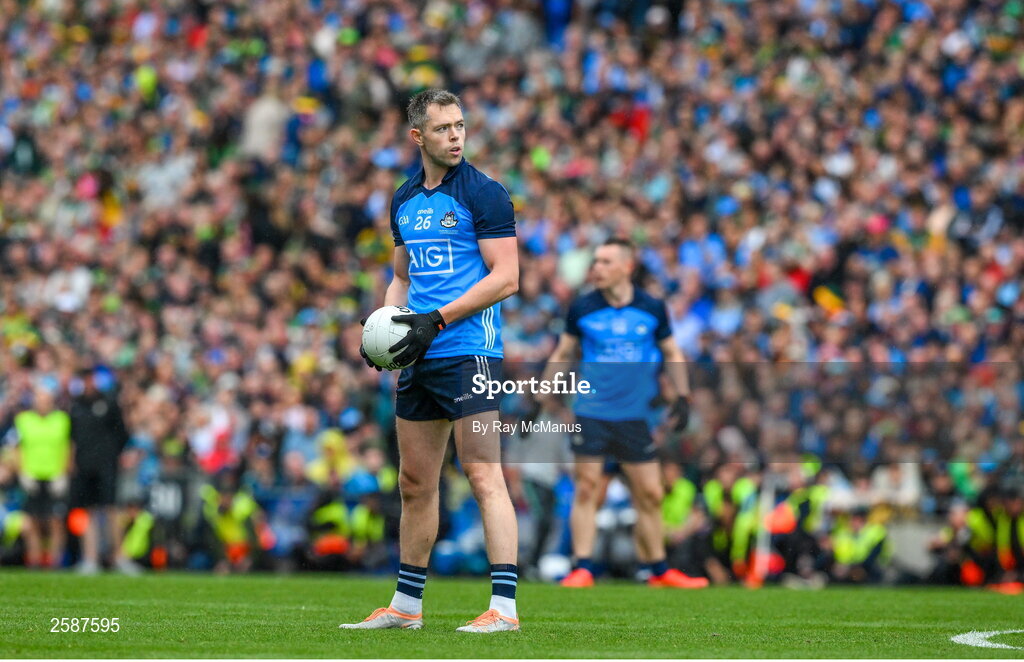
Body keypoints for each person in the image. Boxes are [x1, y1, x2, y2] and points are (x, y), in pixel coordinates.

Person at [342, 89, 521, 633]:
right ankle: (406, 608)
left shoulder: (486, 193)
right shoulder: (402, 199)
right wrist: (385, 329)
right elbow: (401, 276)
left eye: (460, 125)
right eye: (444, 128)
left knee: (483, 473)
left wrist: (434, 320)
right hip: (421, 355)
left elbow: (507, 277)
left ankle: (504, 610)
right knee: (414, 483)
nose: (456, 135)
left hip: (471, 352)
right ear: (418, 137)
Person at [540, 238, 708, 589]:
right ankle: (583, 567)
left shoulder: (652, 308)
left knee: (650, 494)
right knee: (587, 489)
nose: (595, 268)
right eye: (595, 261)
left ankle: (658, 571)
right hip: (592, 413)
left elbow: (672, 351)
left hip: (636, 417)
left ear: (626, 267)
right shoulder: (582, 306)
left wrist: (683, 395)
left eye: (604, 262)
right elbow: (564, 351)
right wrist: (544, 390)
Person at [68, 365, 134, 574]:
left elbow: (122, 433)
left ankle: (119, 557)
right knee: (88, 511)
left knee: (112, 509)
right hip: (84, 465)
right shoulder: (76, 406)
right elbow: (71, 438)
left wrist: (114, 454)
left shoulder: (109, 403)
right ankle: (90, 558)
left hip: (106, 464)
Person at [13, 386, 72, 568]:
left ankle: (54, 562)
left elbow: (68, 446)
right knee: (33, 521)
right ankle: (35, 561)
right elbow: (16, 448)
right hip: (32, 475)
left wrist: (64, 472)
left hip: (54, 475)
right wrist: (22, 472)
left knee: (55, 521)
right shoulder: (23, 420)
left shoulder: (62, 420)